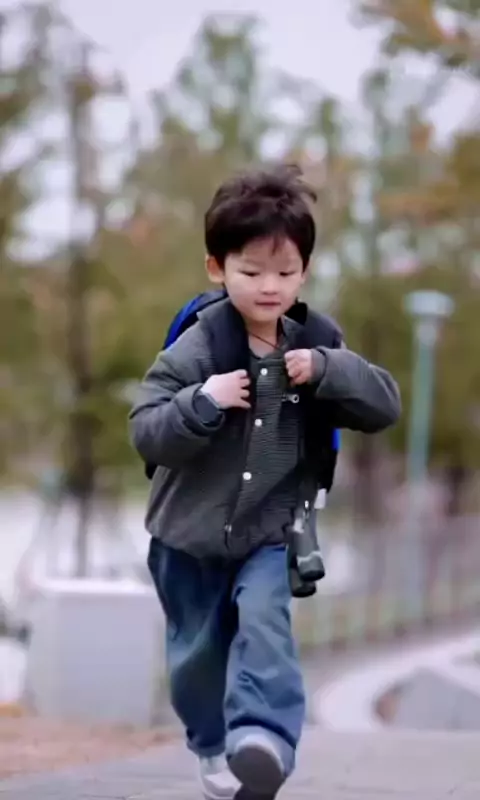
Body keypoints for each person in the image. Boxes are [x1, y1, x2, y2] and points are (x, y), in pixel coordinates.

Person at [129, 164, 401, 800]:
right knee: (198, 662)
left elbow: (384, 406)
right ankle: (211, 743)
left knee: (265, 624)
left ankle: (265, 740)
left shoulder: (317, 343)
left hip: (271, 533)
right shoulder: (201, 346)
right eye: (251, 273)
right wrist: (204, 400)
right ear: (217, 269)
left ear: (304, 271)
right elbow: (146, 429)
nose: (270, 287)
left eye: (285, 272)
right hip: (187, 536)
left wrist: (330, 370)